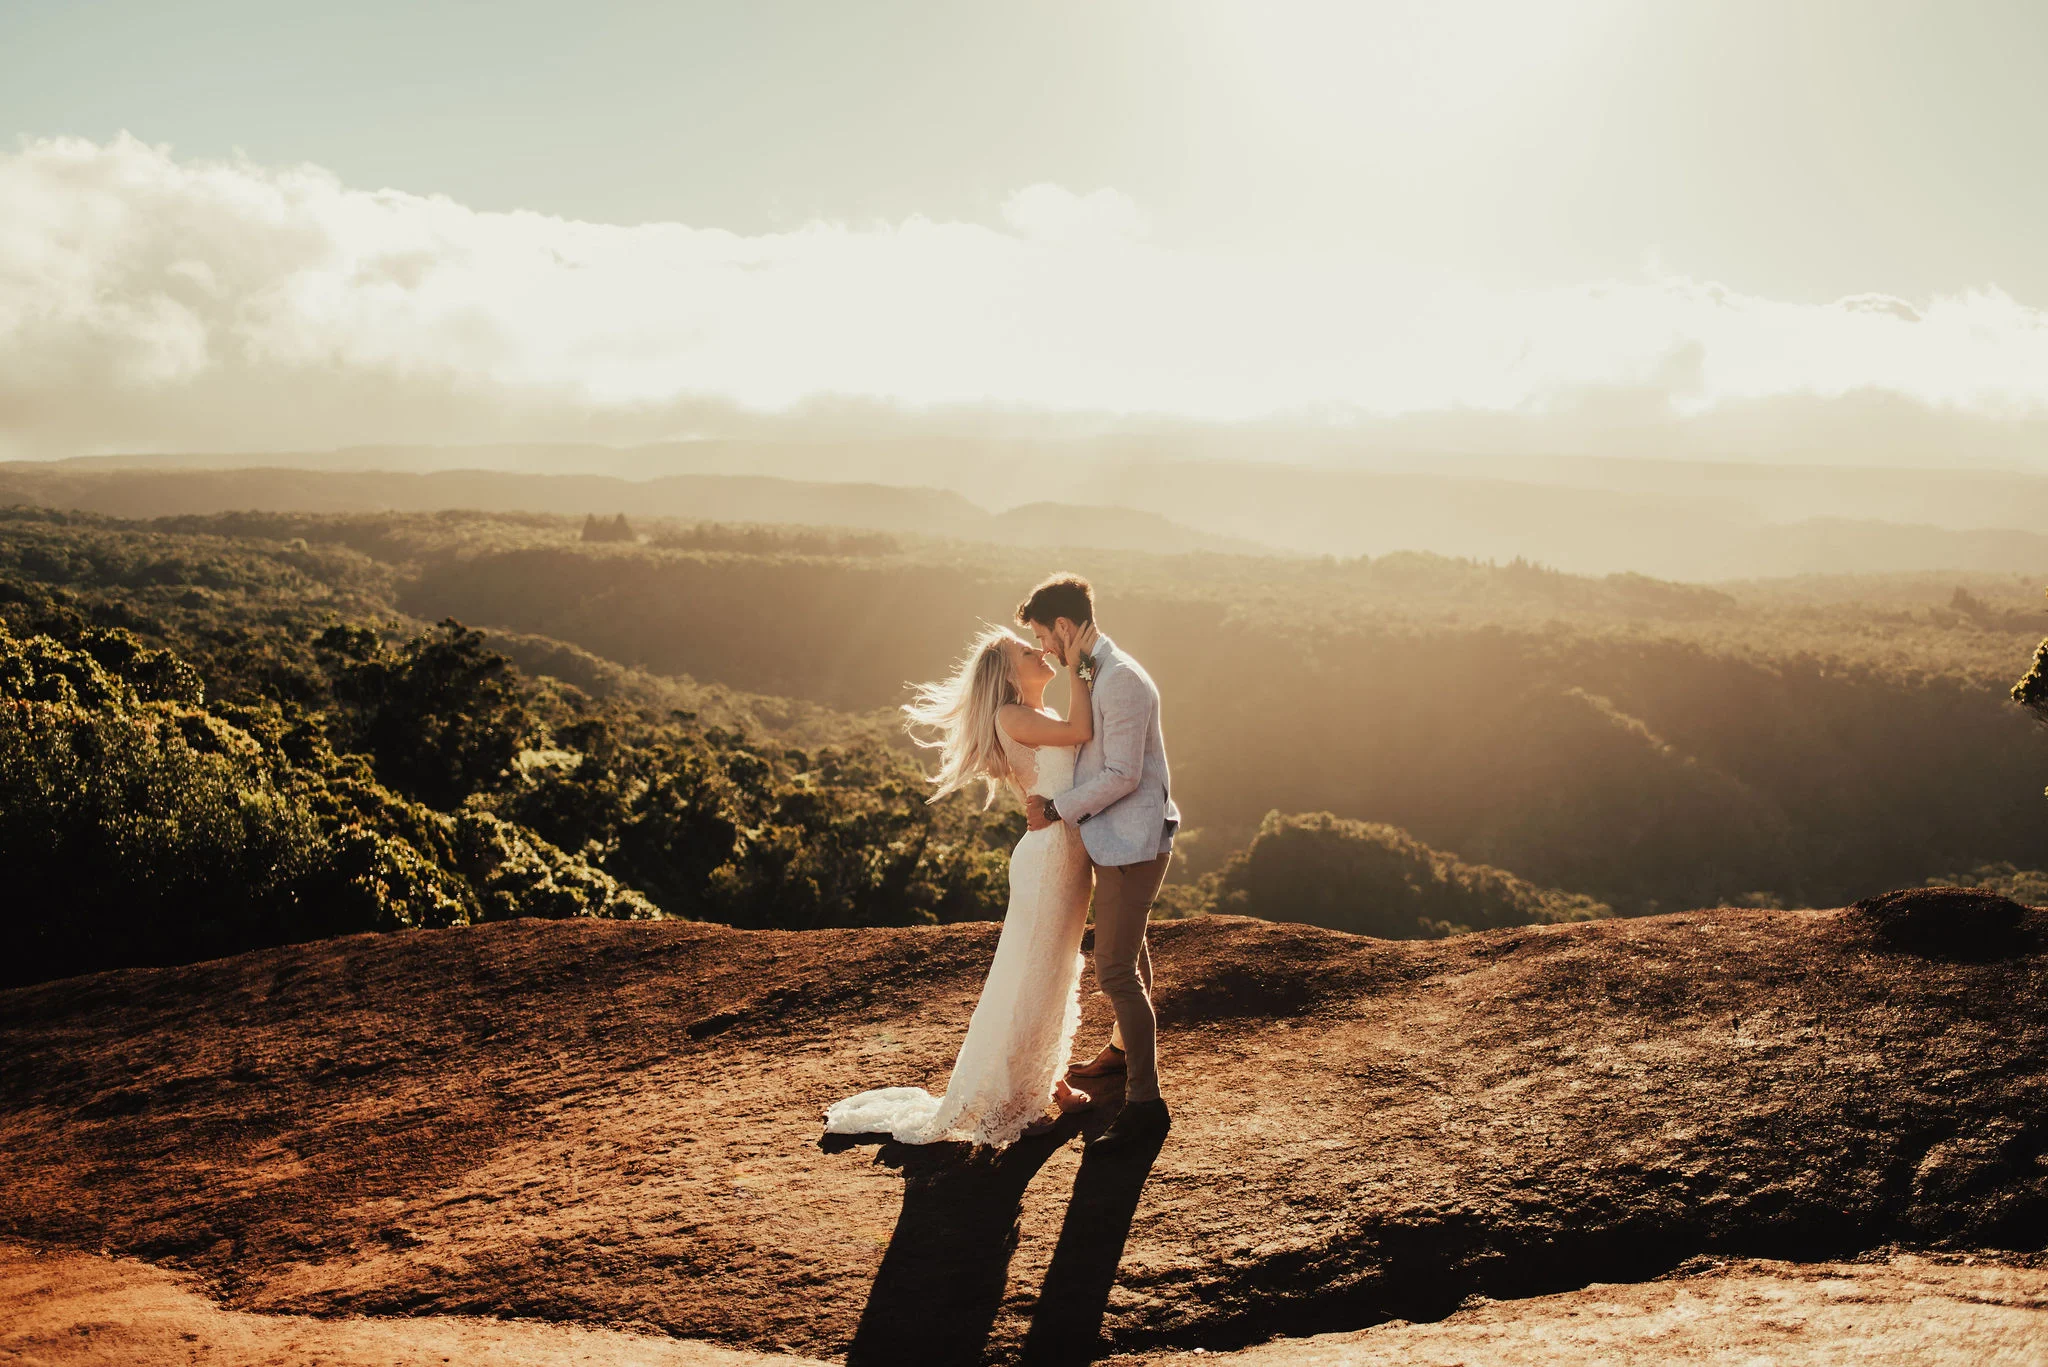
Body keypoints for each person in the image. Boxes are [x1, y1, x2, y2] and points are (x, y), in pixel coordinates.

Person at [822, 621, 1099, 1147]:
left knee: (1053, 973)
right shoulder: (1011, 714)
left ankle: (1048, 1081)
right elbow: (1083, 732)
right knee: (1033, 974)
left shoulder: (1036, 713)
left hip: (1065, 858)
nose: (1040, 651)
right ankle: (1031, 1096)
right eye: (1027, 649)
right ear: (1007, 671)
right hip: (1046, 862)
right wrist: (1082, 662)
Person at [1017, 573, 1179, 1155]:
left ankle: (1144, 1101)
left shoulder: (1121, 680)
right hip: (1114, 841)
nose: (1042, 649)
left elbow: (1123, 775)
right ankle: (1120, 1053)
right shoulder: (1095, 671)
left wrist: (1058, 808)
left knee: (1114, 971)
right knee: (1129, 955)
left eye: (1043, 635)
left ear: (1064, 627)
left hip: (1132, 845)